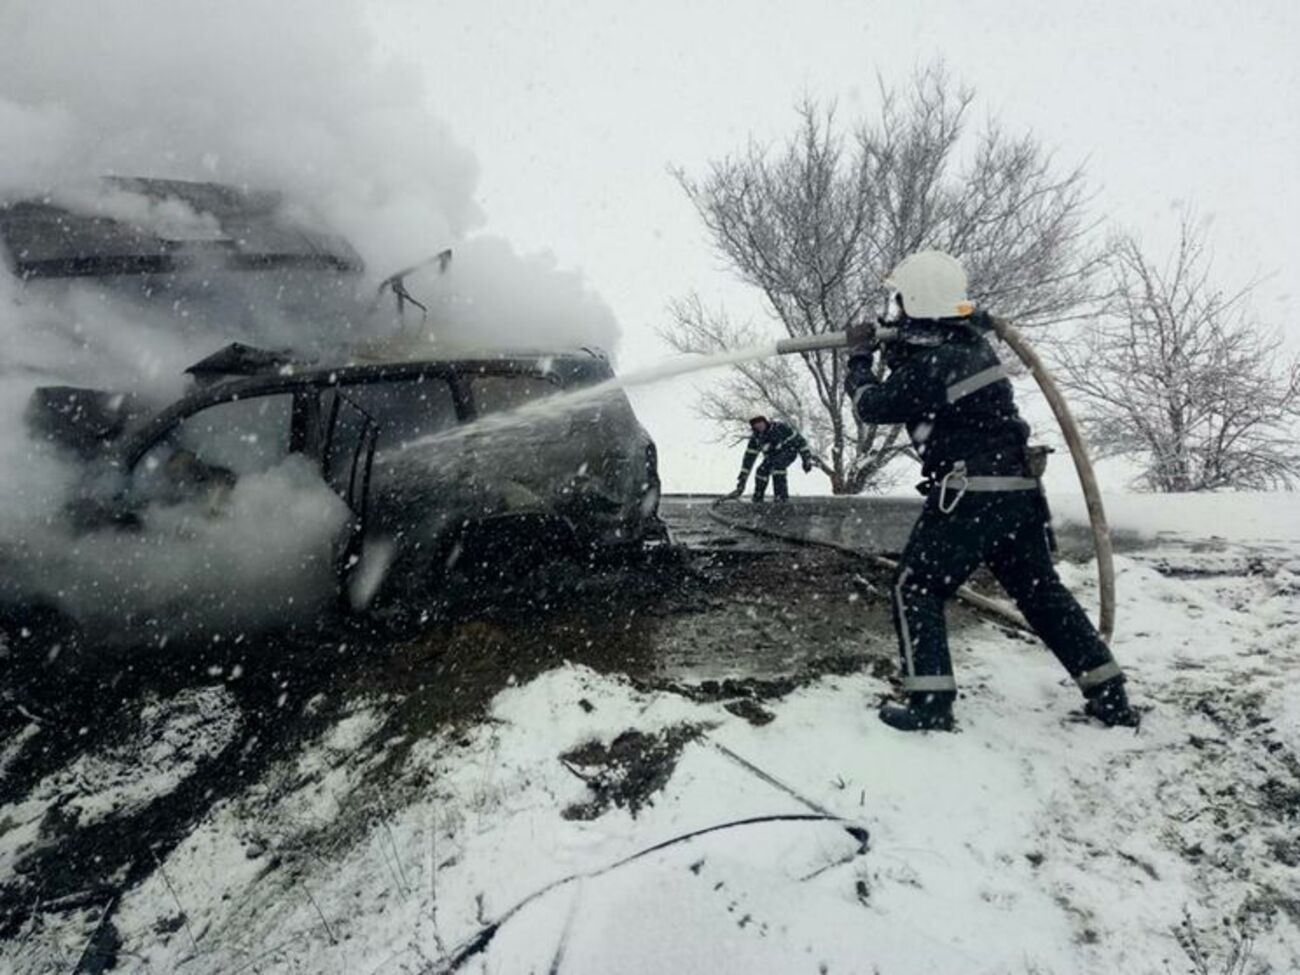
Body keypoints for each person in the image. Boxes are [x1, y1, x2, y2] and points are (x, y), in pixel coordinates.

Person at [845, 250, 1139, 732]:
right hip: (1017, 495)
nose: (893, 310)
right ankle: (1110, 696)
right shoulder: (970, 350)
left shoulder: (939, 360)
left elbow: (874, 405)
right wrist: (897, 344)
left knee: (916, 587)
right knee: (1041, 594)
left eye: (899, 301)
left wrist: (858, 361)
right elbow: (925, 370)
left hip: (970, 493)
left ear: (915, 301)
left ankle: (930, 704)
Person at [728, 415, 814, 502]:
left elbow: (800, 441)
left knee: (777, 466)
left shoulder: (780, 428)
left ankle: (781, 497)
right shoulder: (756, 439)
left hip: (788, 451)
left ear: (765, 422)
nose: (759, 426)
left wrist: (806, 459)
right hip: (772, 456)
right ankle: (758, 497)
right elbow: (748, 459)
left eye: (760, 422)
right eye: (755, 424)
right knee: (761, 470)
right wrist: (742, 479)